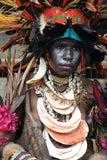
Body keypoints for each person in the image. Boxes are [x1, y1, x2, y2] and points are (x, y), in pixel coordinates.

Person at [0, 0, 106, 160]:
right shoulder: (25, 86)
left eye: (75, 48)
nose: (68, 56)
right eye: (60, 46)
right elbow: (3, 140)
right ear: (46, 50)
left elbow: (104, 142)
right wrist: (20, 156)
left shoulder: (92, 89)